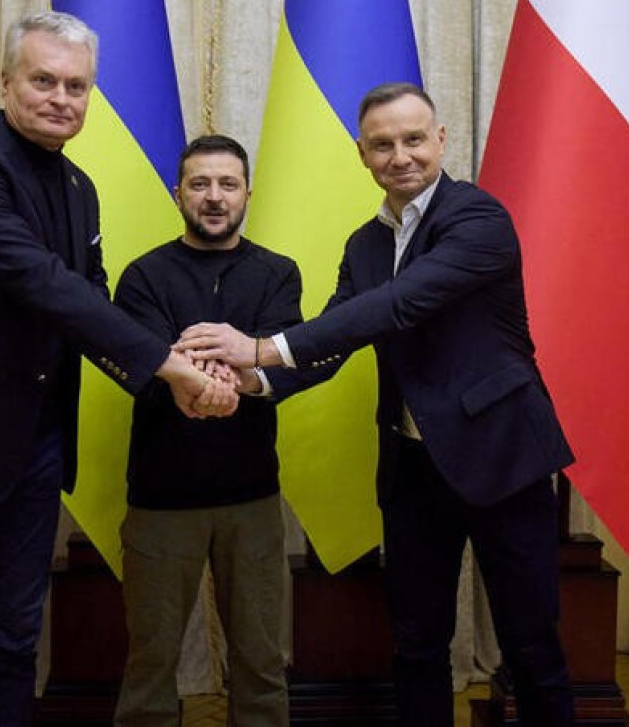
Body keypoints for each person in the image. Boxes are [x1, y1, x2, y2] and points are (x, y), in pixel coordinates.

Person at [0, 11, 236, 727]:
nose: (62, 98)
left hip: (33, 450)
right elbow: (40, 282)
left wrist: (171, 364)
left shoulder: (79, 187)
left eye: (77, 86)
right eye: (44, 80)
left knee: (12, 642)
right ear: (6, 83)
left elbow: (88, 297)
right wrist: (167, 366)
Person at [177, 83, 576, 726]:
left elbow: (397, 305)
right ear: (361, 153)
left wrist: (257, 348)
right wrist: (250, 384)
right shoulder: (365, 245)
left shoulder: (479, 220)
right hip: (413, 470)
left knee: (531, 647)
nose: (401, 156)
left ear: (440, 140)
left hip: (503, 455)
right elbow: (334, 341)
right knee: (416, 646)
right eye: (383, 144)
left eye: (414, 139)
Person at [110, 135, 301, 727]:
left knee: (263, 661)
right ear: (178, 194)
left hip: (253, 499)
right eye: (200, 184)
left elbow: (285, 362)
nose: (214, 197)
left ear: (248, 193)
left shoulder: (278, 273)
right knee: (150, 664)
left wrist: (231, 379)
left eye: (227, 184)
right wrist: (208, 376)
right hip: (161, 500)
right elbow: (141, 368)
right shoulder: (142, 276)